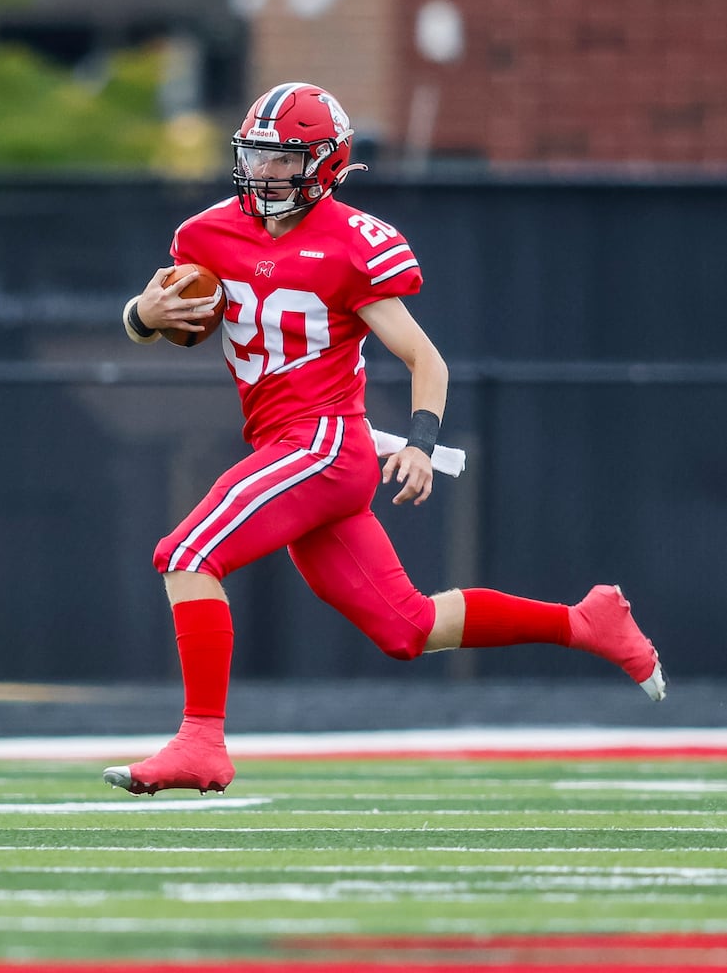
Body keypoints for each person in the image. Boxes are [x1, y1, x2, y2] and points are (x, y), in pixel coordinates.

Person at [104, 81, 665, 796]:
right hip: (286, 445)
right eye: (256, 155)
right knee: (407, 627)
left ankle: (200, 743)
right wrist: (140, 315)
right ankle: (585, 622)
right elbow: (178, 322)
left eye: (283, 160)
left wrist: (420, 445)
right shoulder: (206, 233)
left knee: (185, 553)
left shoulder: (352, 244)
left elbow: (424, 360)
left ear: (326, 165)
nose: (265, 172)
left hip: (324, 444)